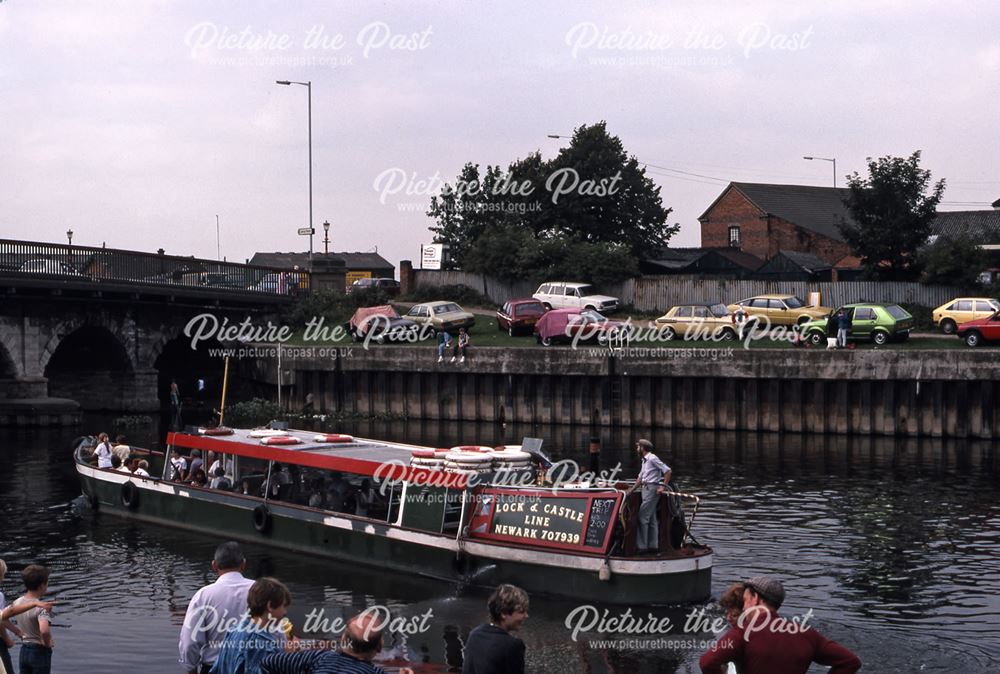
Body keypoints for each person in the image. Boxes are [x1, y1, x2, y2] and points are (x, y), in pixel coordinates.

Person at [699, 575, 862, 674]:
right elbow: (850, 662)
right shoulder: (807, 633)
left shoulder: (743, 632)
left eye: (746, 600)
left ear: (755, 598)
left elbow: (707, 662)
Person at [179, 542, 256, 674]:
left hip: (214, 668)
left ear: (214, 565)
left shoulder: (203, 596)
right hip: (254, 667)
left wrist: (191, 669)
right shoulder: (260, 590)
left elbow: (190, 643)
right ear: (243, 564)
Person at [260, 610, 392, 674]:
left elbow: (267, 663)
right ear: (379, 646)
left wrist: (288, 654)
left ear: (343, 639)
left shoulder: (318, 657)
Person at [211, 577, 290, 674]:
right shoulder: (264, 645)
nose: (285, 612)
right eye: (283, 606)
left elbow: (216, 669)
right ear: (270, 605)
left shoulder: (233, 630)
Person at [462, 584, 529, 674]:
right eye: (521, 612)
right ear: (504, 613)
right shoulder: (513, 646)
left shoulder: (475, 634)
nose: (526, 616)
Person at [11, 564, 55, 674]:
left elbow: (3, 617)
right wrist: (48, 642)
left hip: (24, 650)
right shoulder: (42, 607)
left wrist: (17, 632)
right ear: (41, 586)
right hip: (39, 652)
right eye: (47, 583)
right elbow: (44, 630)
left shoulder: (17, 602)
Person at [634, 439, 671, 554]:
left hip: (651, 489)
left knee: (642, 517)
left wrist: (663, 487)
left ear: (643, 448)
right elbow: (640, 478)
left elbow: (667, 471)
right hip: (646, 489)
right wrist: (631, 490)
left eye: (638, 447)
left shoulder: (652, 458)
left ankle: (642, 547)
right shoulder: (644, 460)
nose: (636, 449)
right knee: (651, 518)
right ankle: (653, 545)